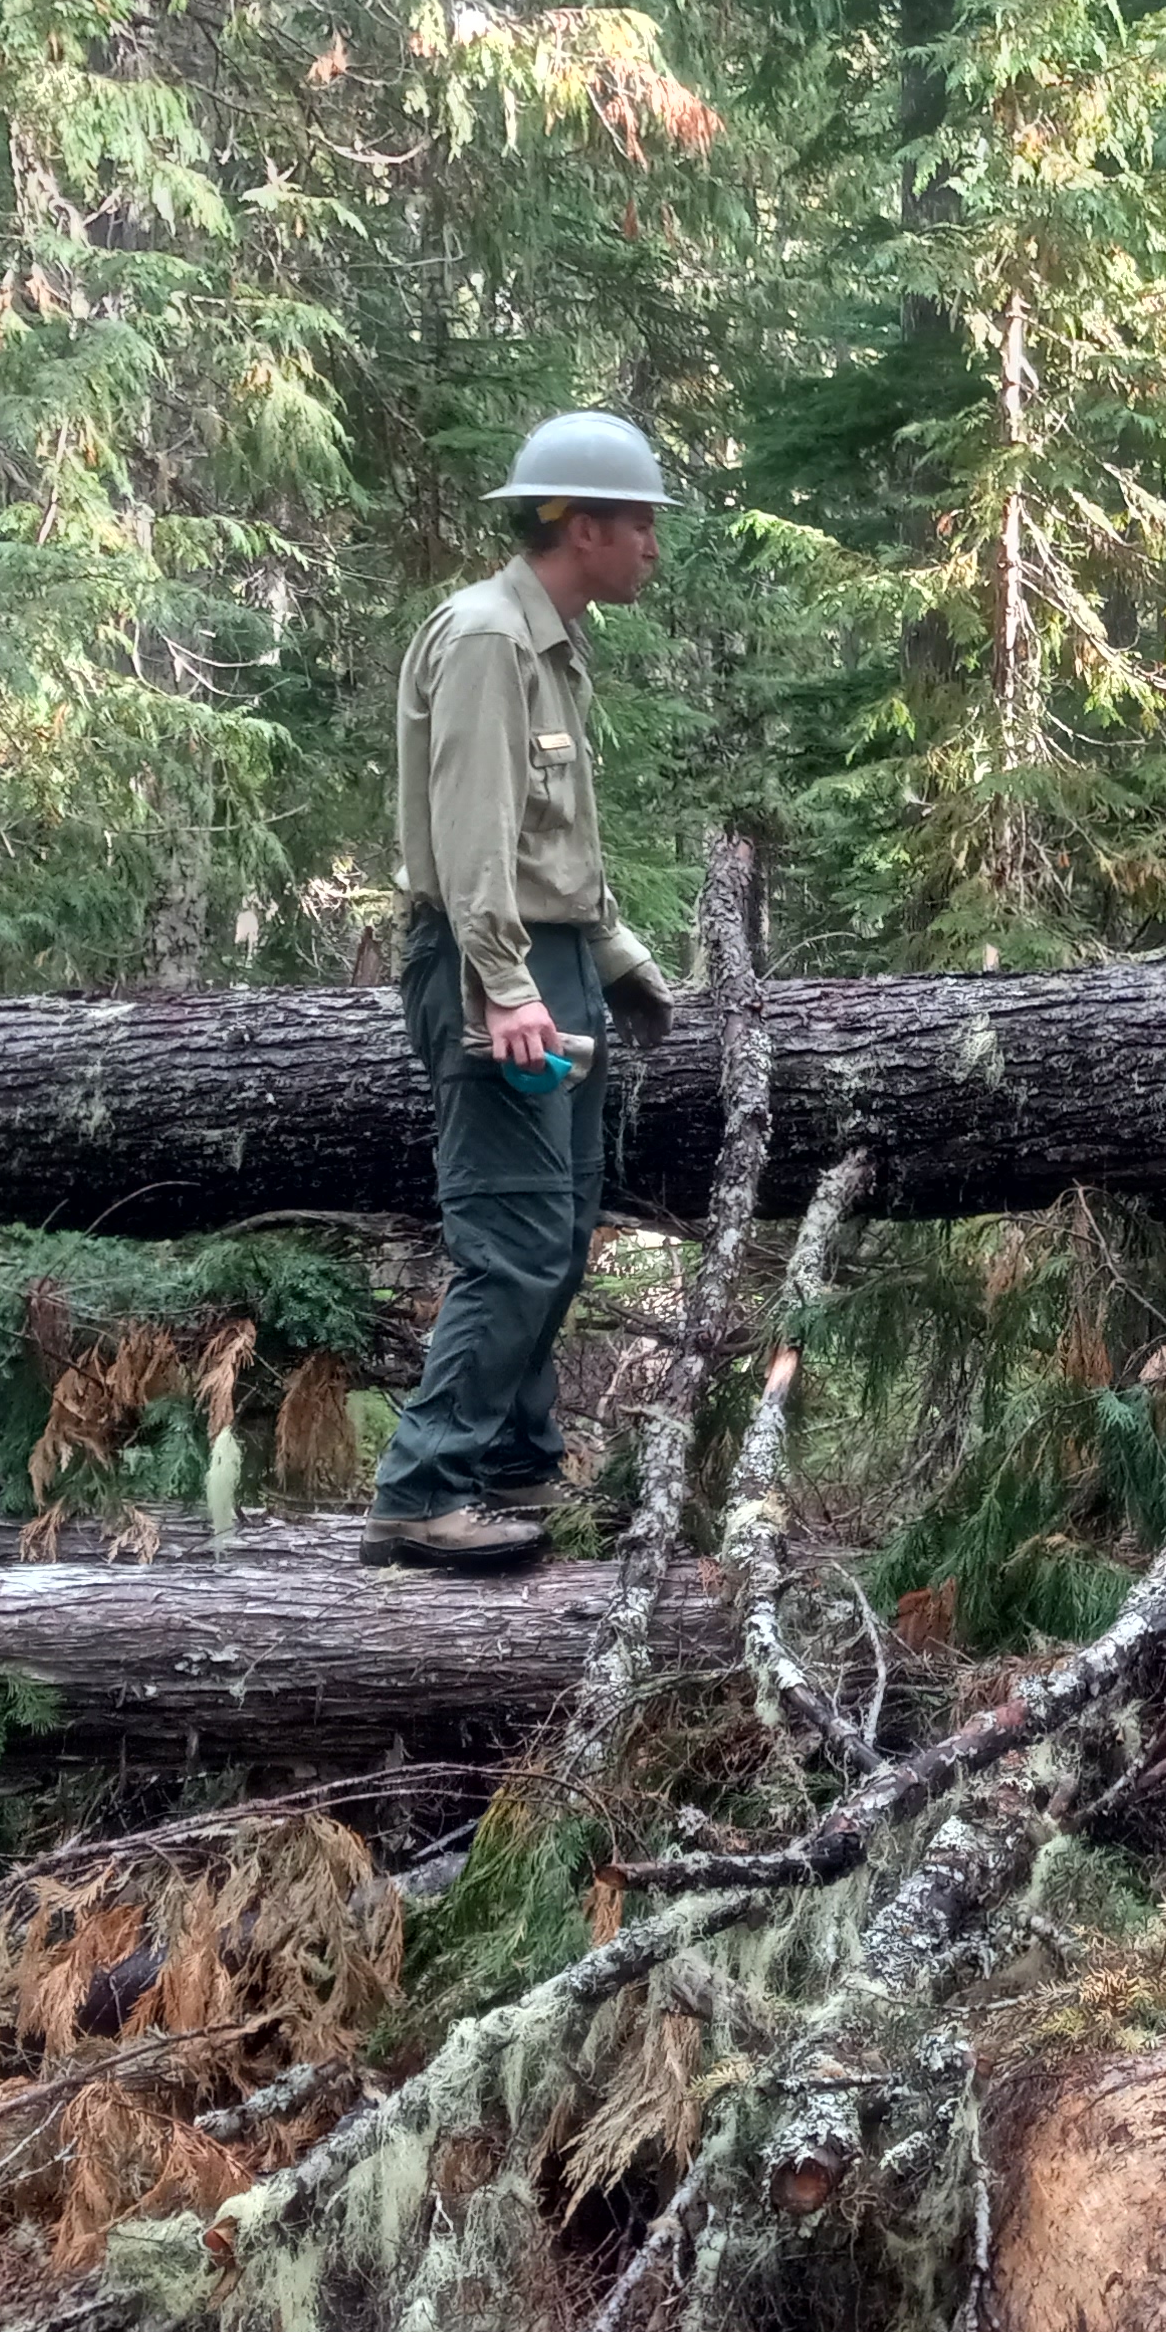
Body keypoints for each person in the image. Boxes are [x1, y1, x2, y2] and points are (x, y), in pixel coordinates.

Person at [366, 411, 685, 1566]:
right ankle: (421, 1492)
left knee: (564, 1226)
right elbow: (474, 844)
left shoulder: (550, 640)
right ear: (583, 524)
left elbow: (555, 849)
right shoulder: (491, 640)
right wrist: (502, 989)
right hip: (489, 969)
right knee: (512, 1243)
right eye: (640, 522)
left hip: (550, 969)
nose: (653, 544)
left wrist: (613, 961)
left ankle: (515, 1470)